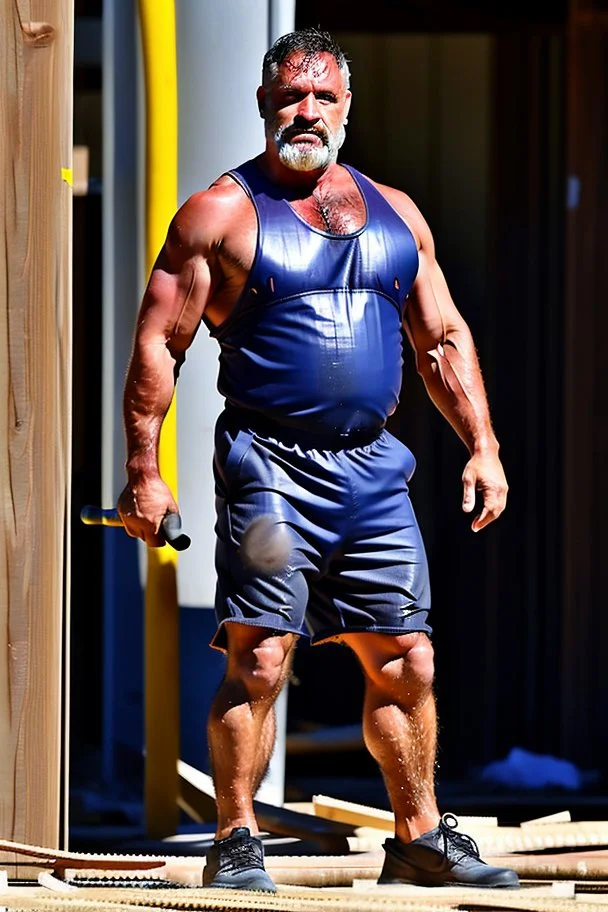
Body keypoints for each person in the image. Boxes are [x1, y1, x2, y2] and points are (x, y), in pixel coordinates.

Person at [117, 27, 518, 893]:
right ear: (264, 105)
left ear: (346, 107)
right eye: (290, 97)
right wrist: (144, 471)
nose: (307, 112)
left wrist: (481, 445)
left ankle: (417, 837)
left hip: (374, 469)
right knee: (260, 656)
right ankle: (236, 837)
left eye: (323, 97)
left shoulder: (396, 213)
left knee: (407, 658)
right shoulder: (219, 215)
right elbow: (160, 342)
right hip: (269, 465)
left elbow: (443, 340)